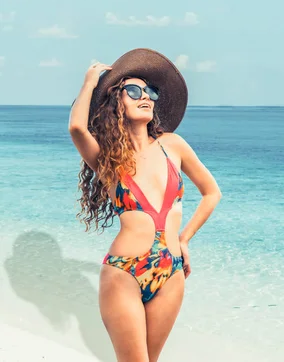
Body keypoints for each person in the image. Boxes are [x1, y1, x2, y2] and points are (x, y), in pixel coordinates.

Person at [68, 48, 222, 362]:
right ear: (115, 101)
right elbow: (77, 129)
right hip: (123, 273)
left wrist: (183, 239)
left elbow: (212, 193)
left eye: (150, 92)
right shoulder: (107, 158)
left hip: (172, 273)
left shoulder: (173, 145)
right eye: (134, 91)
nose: (146, 97)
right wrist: (89, 83)